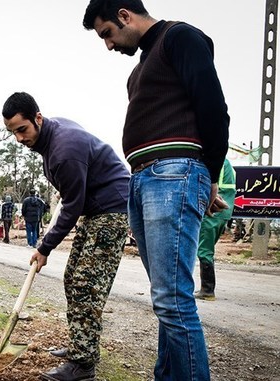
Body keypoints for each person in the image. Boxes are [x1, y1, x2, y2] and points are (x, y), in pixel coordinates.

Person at [83, 1, 230, 380]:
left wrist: (209, 174)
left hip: (174, 173)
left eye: (108, 34)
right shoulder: (142, 67)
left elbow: (214, 107)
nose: (109, 45)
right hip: (147, 179)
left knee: (172, 299)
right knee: (165, 299)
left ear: (124, 14)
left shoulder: (179, 37)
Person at [2, 92, 129, 381]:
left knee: (87, 284)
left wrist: (45, 246)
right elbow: (73, 198)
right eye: (13, 133)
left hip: (111, 210)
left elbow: (71, 206)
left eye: (22, 130)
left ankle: (83, 365)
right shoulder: (51, 140)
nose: (19, 139)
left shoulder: (63, 149)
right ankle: (81, 346)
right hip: (94, 209)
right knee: (73, 277)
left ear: (38, 118)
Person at [196, 159, 236, 301]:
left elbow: (208, 185)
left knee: (204, 250)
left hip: (213, 210)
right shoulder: (226, 163)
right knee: (206, 248)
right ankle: (206, 289)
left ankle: (207, 290)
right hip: (224, 212)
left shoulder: (215, 162)